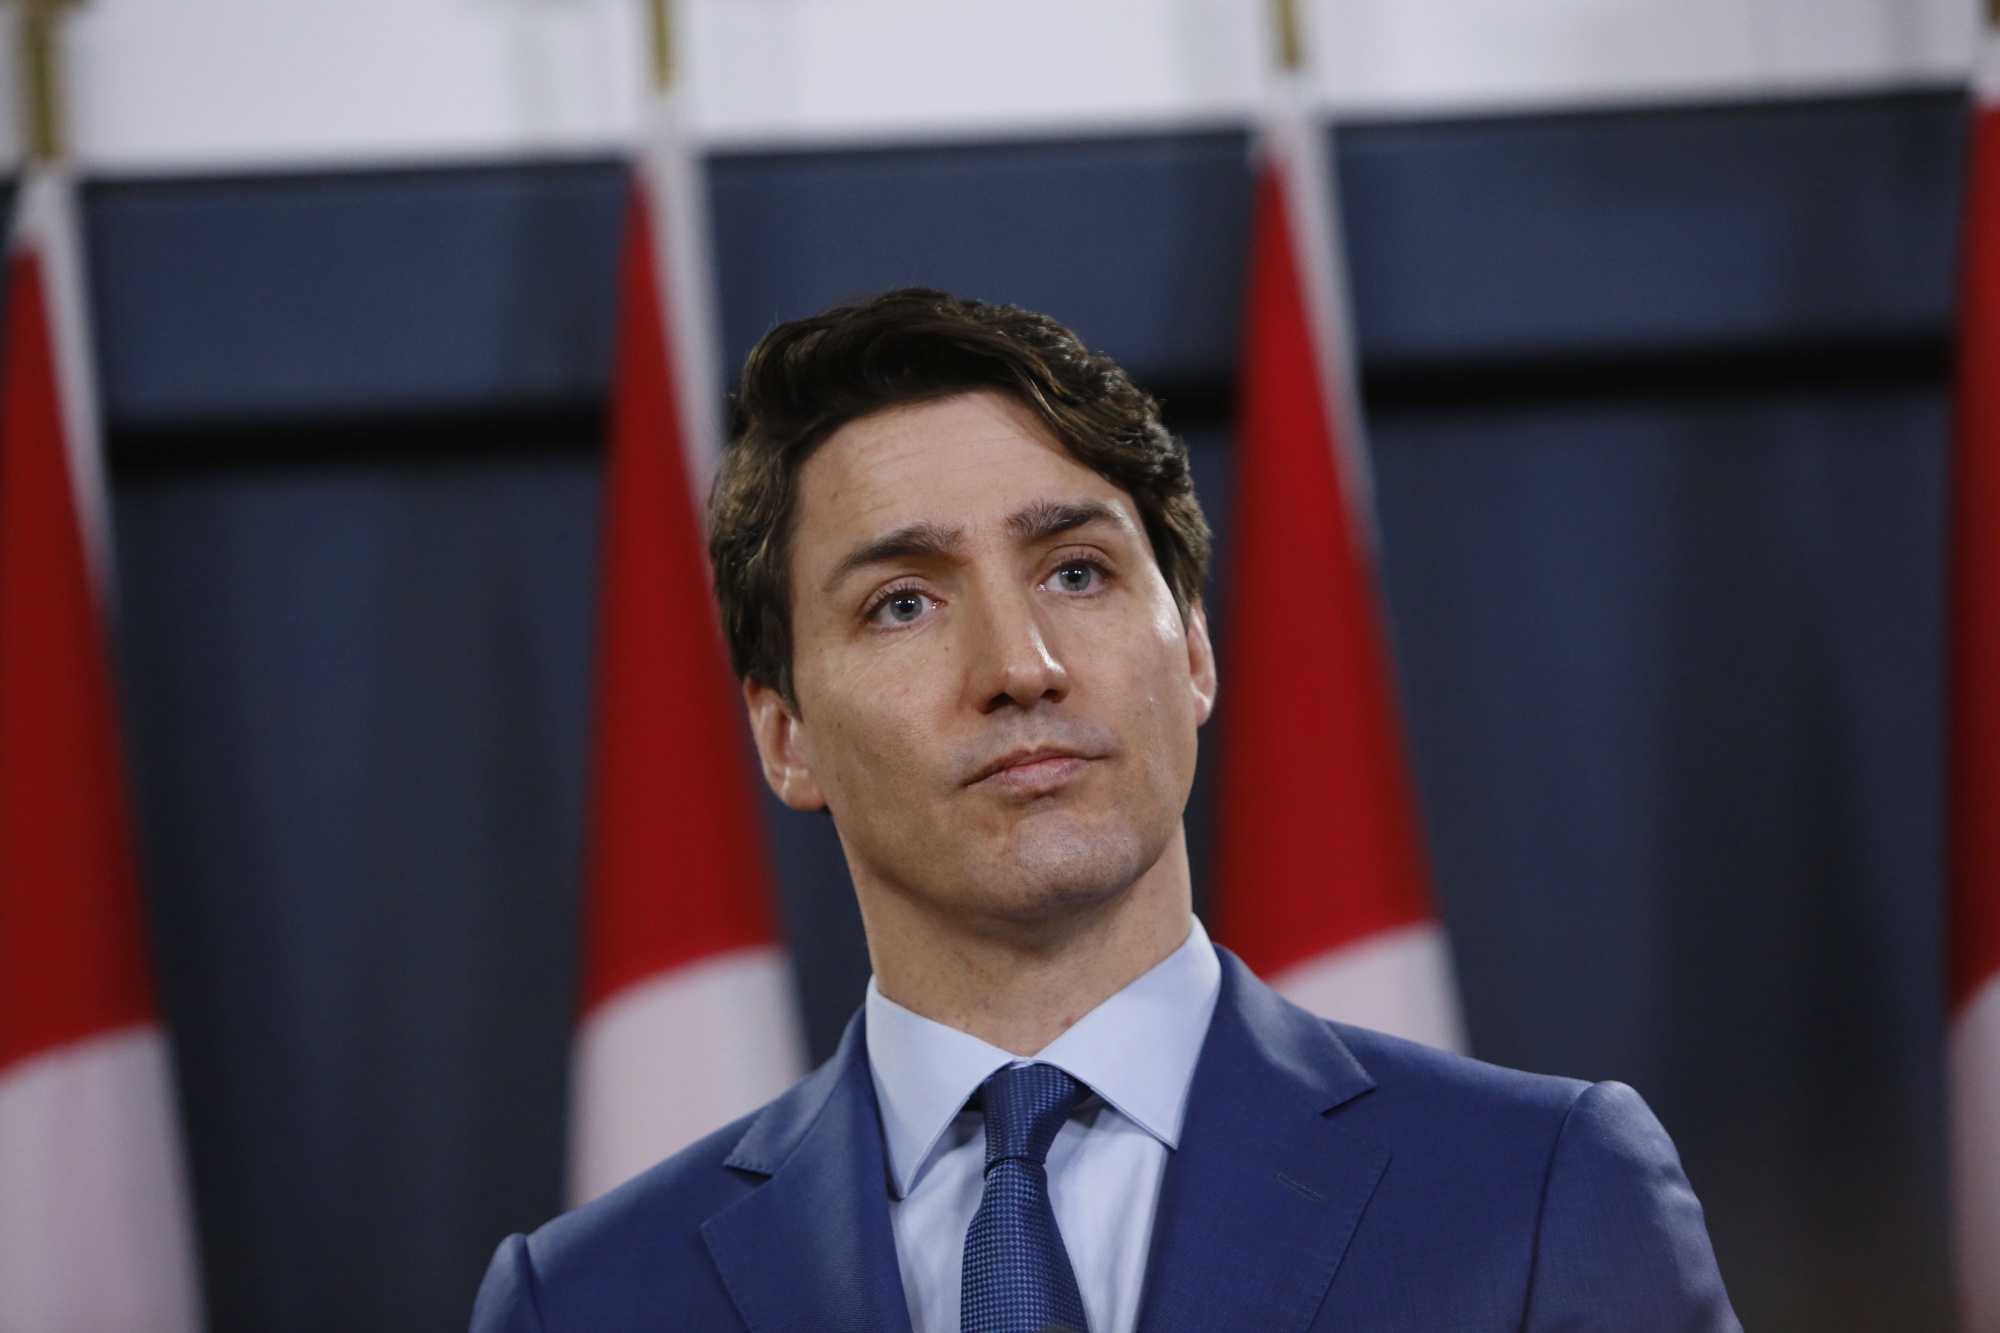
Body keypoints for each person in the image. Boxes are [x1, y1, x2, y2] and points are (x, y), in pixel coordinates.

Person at [471, 288, 1739, 1333]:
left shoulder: (1537, 1191)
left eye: (1075, 571)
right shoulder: (578, 1301)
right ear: (783, 733)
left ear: (1191, 653)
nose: (1019, 663)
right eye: (902, 601)